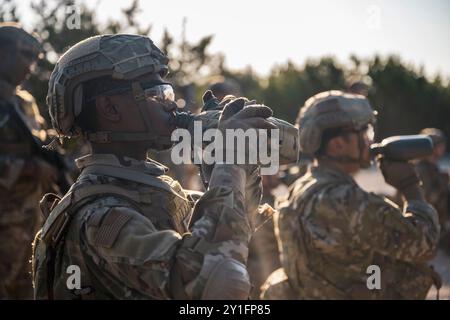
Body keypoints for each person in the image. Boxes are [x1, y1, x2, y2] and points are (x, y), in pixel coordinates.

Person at [32, 34, 274, 299]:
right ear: (110, 108)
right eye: (157, 94)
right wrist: (230, 163)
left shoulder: (147, 191)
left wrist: (228, 170)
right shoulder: (101, 216)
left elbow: (237, 228)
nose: (171, 104)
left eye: (168, 92)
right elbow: (220, 280)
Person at [261, 90, 441, 299]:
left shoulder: (300, 188)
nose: (369, 141)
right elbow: (424, 243)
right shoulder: (346, 200)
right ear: (338, 145)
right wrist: (410, 186)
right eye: (364, 133)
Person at [0, 22, 58, 299]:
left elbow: (39, 143)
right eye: (24, 54)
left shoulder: (24, 102)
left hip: (27, 225)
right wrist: (31, 169)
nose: (30, 65)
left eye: (34, 59)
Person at [416, 128, 449, 252]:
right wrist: (443, 186)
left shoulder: (432, 167)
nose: (442, 148)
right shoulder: (421, 169)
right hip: (428, 226)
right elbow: (426, 199)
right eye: (440, 145)